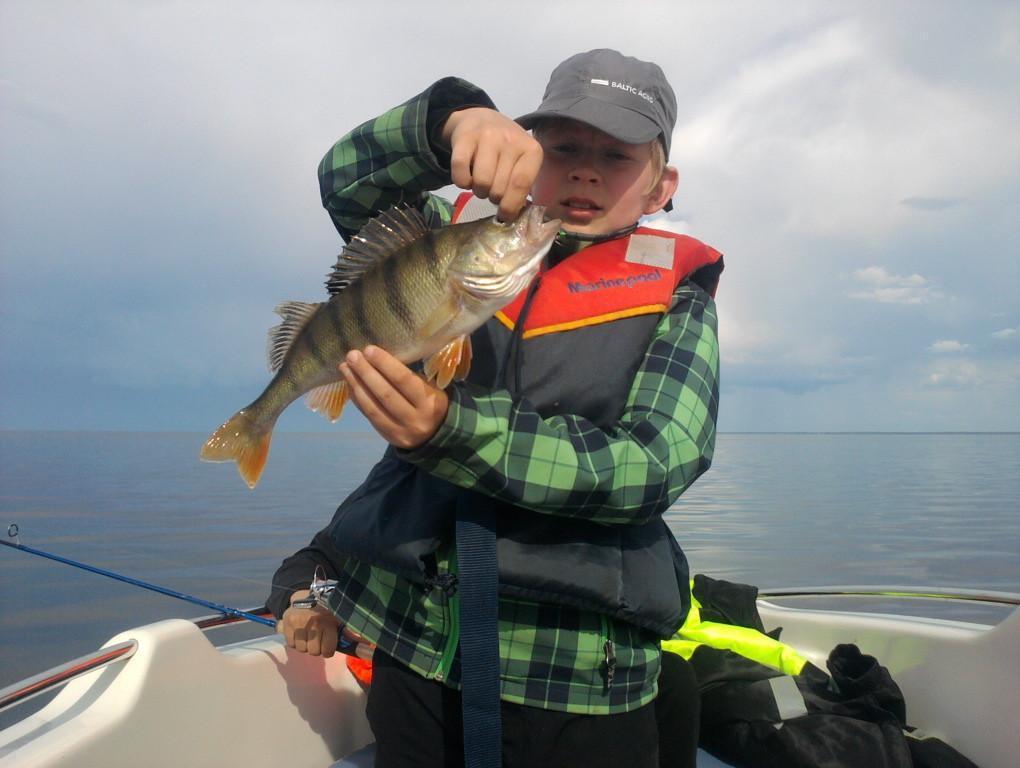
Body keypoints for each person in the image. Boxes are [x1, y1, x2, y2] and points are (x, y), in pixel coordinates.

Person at [268, 48, 723, 768]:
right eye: (565, 146)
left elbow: (656, 461)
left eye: (617, 154)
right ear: (528, 152)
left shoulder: (678, 301)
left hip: (578, 677)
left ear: (661, 186)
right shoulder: (448, 241)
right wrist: (447, 118)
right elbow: (345, 181)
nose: (584, 168)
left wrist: (454, 431)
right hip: (416, 651)